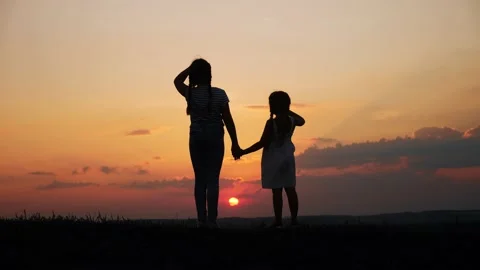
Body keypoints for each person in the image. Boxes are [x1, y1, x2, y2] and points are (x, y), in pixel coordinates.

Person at [174, 58, 241, 228]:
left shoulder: (190, 93)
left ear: (194, 75)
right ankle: (212, 221)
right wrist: (235, 143)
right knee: (213, 180)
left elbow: (176, 81)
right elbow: (228, 120)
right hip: (215, 137)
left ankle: (201, 221)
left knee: (200, 180)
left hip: (196, 137)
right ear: (210, 75)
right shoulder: (220, 94)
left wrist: (190, 68)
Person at [236, 91, 305, 228]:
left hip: (273, 159)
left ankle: (278, 220)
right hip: (288, 158)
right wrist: (287, 110)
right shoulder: (292, 121)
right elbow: (302, 121)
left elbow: (263, 143)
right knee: (290, 189)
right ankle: (294, 219)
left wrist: (243, 152)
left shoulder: (271, 123)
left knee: (277, 191)